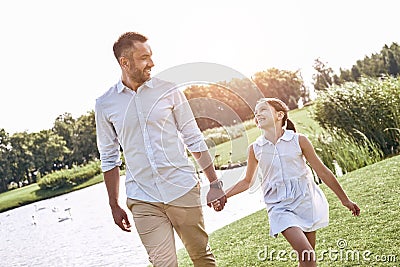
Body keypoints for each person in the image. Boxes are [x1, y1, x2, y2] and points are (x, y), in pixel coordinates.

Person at [95, 32, 227, 267]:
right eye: (144, 57)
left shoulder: (169, 90)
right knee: (162, 263)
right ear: (124, 62)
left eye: (151, 56)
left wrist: (214, 183)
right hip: (142, 198)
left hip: (182, 188)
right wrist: (114, 204)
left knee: (202, 258)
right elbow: (109, 158)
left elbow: (193, 138)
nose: (152, 63)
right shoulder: (105, 104)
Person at [212, 97, 360, 267]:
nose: (257, 114)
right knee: (308, 255)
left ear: (279, 115)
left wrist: (345, 200)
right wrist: (223, 194)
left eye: (263, 110)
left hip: (305, 202)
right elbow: (247, 181)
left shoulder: (299, 140)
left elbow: (323, 172)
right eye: (256, 112)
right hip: (279, 206)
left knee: (306, 260)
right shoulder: (255, 148)